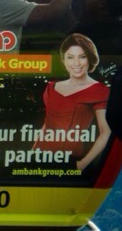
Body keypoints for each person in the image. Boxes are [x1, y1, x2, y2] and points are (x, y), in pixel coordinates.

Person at [36, 32, 112, 176]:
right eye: (70, 57)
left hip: (71, 160)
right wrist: (30, 154)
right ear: (64, 60)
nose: (76, 63)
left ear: (90, 59)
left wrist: (82, 164)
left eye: (82, 57)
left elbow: (106, 132)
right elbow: (46, 126)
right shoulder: (52, 88)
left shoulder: (99, 90)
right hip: (40, 157)